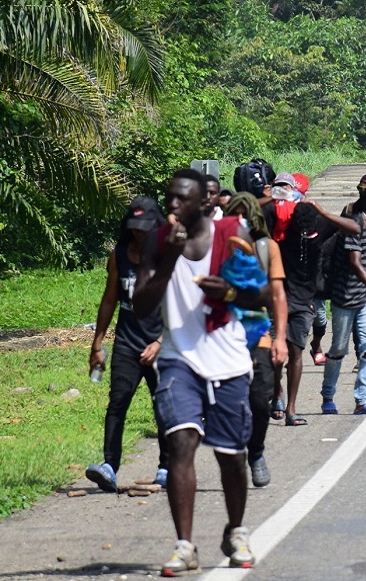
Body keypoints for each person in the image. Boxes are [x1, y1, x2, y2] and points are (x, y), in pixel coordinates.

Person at [133, 169, 269, 575]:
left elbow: (260, 293)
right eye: (169, 197)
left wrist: (228, 293)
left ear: (204, 203)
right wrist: (170, 257)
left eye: (181, 199)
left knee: (231, 457)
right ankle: (185, 544)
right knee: (181, 444)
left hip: (227, 358)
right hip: (179, 358)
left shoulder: (232, 233)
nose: (172, 205)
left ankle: (235, 530)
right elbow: (141, 306)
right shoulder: (158, 242)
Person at [85, 197, 167, 493]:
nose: (140, 234)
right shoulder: (119, 255)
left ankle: (166, 467)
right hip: (127, 343)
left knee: (165, 408)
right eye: (135, 228)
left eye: (146, 229)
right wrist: (97, 344)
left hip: (162, 344)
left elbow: (182, 305)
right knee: (117, 402)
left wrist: (160, 341)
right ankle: (109, 466)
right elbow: (109, 300)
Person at [222, 192, 288, 488]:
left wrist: (281, 338)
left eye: (244, 217)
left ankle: (256, 452)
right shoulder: (215, 247)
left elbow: (278, 295)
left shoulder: (266, 248)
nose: (239, 223)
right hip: (221, 333)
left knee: (260, 401)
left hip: (257, 333)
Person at [319, 183, 366, 416]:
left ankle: (362, 399)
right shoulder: (357, 225)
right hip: (345, 298)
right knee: (338, 349)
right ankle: (328, 396)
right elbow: (356, 263)